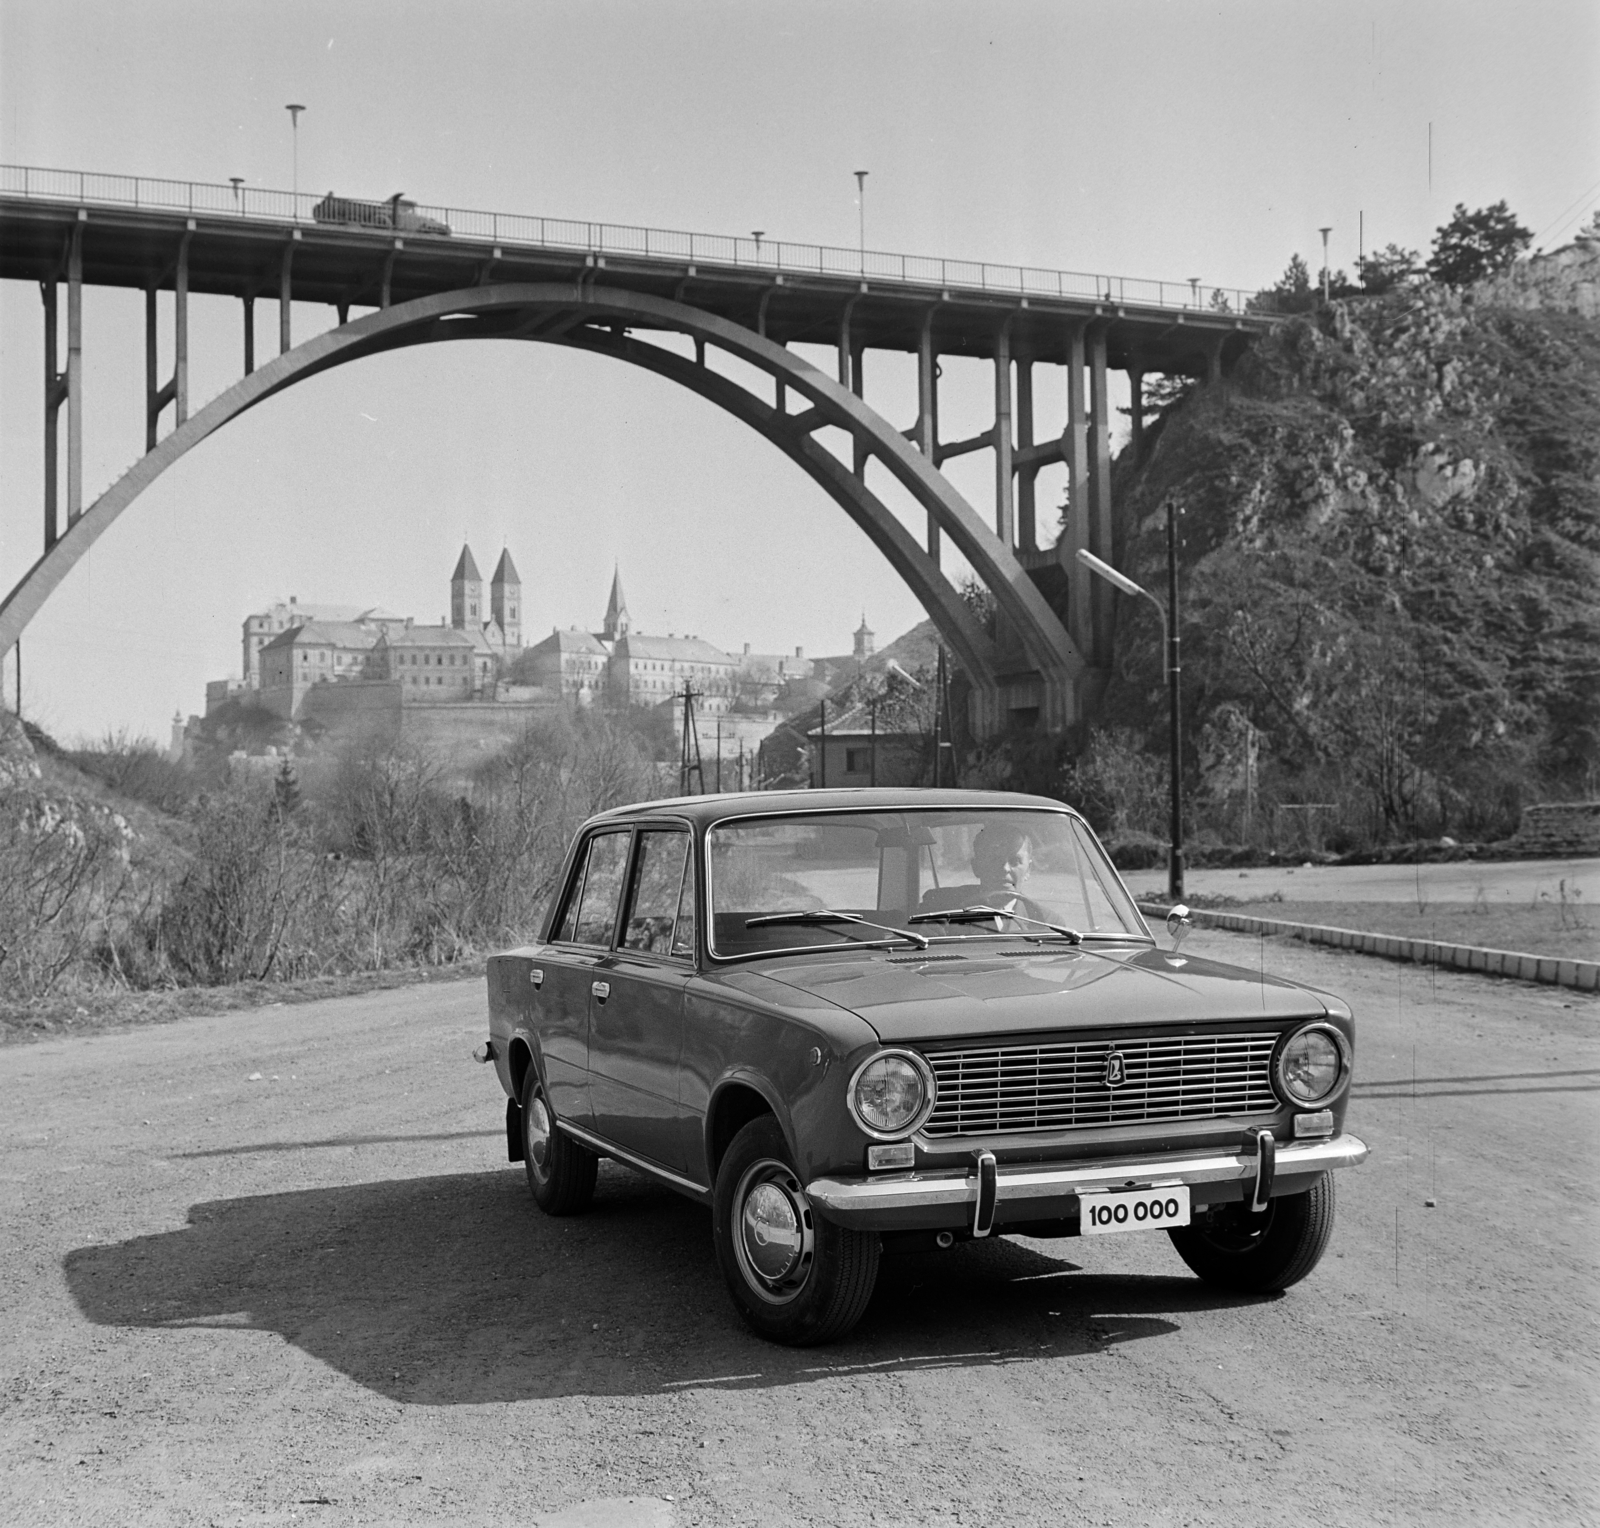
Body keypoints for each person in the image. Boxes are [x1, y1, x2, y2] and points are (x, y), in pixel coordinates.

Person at [919, 821, 1048, 926]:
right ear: (976, 867)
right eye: (994, 859)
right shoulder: (941, 911)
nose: (1005, 868)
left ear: (1028, 869)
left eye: (1015, 861)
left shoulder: (1046, 922)